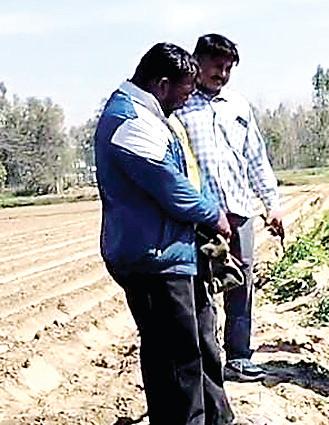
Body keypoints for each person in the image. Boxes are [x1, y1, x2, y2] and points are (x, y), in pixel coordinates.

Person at [94, 42, 234, 425]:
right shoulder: (131, 121)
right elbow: (169, 184)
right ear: (161, 84)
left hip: (172, 252)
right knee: (175, 361)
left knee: (196, 347)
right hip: (153, 257)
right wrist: (213, 215)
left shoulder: (149, 114)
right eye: (185, 91)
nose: (186, 100)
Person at [176, 34, 283, 383]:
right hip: (199, 216)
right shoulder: (179, 106)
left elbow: (256, 158)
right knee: (199, 286)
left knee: (242, 282)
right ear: (198, 63)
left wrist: (272, 205)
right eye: (216, 67)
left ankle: (239, 356)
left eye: (227, 68)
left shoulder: (237, 105)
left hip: (239, 210)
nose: (221, 74)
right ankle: (204, 359)